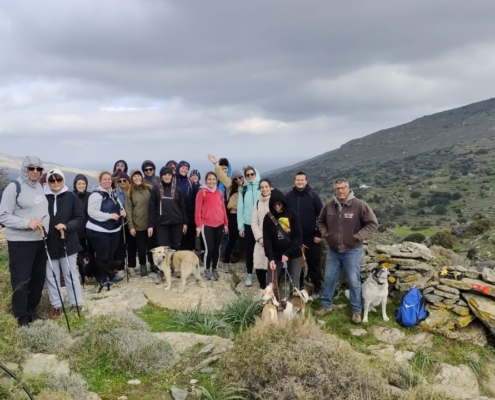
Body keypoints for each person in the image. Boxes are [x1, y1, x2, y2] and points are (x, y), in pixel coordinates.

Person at [317, 178, 378, 324]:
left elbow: (372, 223)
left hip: (352, 251)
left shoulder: (359, 205)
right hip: (333, 251)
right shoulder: (329, 206)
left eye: (343, 188)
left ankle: (356, 311)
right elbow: (320, 221)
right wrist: (326, 234)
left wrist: (357, 237)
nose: (340, 191)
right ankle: (326, 306)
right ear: (334, 190)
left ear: (348, 189)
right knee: (329, 279)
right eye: (337, 188)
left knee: (353, 281)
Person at [0, 156, 49, 326]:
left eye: (38, 169)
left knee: (38, 278)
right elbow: (3, 216)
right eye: (31, 168)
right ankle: (21, 316)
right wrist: (26, 223)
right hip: (20, 241)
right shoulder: (14, 187)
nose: (35, 172)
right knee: (21, 278)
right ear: (24, 169)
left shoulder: (40, 186)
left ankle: (31, 310)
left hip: (39, 239)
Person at [44, 168, 84, 319]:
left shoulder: (72, 197)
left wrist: (66, 226)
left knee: (70, 273)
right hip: (48, 242)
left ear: (63, 180)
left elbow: (79, 218)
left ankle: (76, 303)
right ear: (48, 182)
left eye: (58, 179)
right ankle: (57, 305)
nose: (55, 182)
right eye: (52, 180)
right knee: (51, 275)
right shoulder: (42, 197)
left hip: (68, 241)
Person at [286, 171, 324, 296]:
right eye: (298, 180)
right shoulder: (289, 196)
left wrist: (318, 234)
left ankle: (317, 288)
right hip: (294, 238)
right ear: (294, 181)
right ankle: (299, 288)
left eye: (302, 180)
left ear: (306, 181)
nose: (300, 182)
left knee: (313, 264)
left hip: (311, 237)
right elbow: (283, 216)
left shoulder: (313, 196)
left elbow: (322, 216)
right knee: (297, 265)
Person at [147, 166, 188, 282]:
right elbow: (151, 208)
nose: (167, 176)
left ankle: (174, 267)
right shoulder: (156, 189)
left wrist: (185, 222)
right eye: (165, 174)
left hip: (176, 222)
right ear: (161, 176)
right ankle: (160, 271)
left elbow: (182, 207)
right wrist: (150, 225)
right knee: (161, 248)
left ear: (172, 176)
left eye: (169, 174)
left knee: (175, 246)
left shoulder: (177, 189)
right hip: (161, 223)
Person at [263, 188, 303, 293]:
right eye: (274, 204)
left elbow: (298, 236)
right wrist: (270, 258)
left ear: (283, 203)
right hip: (275, 256)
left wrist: (287, 252)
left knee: (294, 284)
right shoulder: (268, 218)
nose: (277, 206)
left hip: (294, 254)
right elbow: (267, 240)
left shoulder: (293, 215)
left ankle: (294, 302)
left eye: (279, 204)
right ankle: (275, 302)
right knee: (271, 284)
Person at [207, 154, 242, 272]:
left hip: (244, 215)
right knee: (231, 237)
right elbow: (221, 175)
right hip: (232, 213)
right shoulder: (230, 185)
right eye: (236, 178)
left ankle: (243, 258)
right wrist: (215, 163)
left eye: (240, 178)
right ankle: (226, 260)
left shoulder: (246, 187)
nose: (238, 180)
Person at [86, 171, 125, 270]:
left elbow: (119, 205)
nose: (107, 181)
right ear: (100, 181)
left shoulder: (113, 192)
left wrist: (122, 210)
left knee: (111, 254)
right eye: (104, 179)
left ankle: (110, 274)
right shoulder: (96, 195)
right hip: (98, 230)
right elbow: (91, 212)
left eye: (109, 179)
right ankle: (101, 276)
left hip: (114, 229)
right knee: (102, 256)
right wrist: (109, 216)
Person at [195, 172, 228, 281]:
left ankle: (214, 268)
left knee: (217, 248)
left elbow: (223, 208)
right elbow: (198, 210)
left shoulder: (219, 192)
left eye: (213, 179)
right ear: (206, 180)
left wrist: (226, 223)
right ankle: (207, 269)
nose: (211, 181)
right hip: (207, 224)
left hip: (219, 224)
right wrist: (198, 225)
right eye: (209, 179)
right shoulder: (202, 192)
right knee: (209, 248)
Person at [125, 170, 154, 276]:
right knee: (141, 247)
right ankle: (142, 265)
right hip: (138, 224)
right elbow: (128, 210)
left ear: (142, 177)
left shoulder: (149, 188)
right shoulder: (130, 192)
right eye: (134, 176)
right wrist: (131, 226)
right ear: (132, 179)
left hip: (151, 223)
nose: (137, 178)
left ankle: (152, 263)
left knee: (152, 245)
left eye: (138, 176)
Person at [237, 165, 261, 286]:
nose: (250, 176)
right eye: (248, 175)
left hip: (261, 225)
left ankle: (263, 272)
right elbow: (240, 209)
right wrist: (241, 227)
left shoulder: (261, 188)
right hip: (248, 224)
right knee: (249, 250)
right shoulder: (243, 191)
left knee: (263, 249)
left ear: (255, 175)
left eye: (252, 174)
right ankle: (249, 274)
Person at [251, 179, 272, 289]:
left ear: (270, 187)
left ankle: (271, 288)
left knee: (272, 263)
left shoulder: (275, 202)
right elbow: (254, 222)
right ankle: (262, 287)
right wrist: (259, 237)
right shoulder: (257, 203)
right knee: (259, 262)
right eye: (262, 187)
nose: (264, 189)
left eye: (266, 186)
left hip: (273, 239)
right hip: (260, 239)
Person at [114, 171, 135, 272]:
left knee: (132, 244)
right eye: (120, 181)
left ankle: (132, 266)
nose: (122, 182)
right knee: (120, 245)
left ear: (128, 181)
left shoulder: (132, 191)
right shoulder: (114, 193)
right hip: (120, 221)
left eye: (124, 180)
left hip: (132, 221)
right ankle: (121, 267)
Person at [176, 161, 200, 251]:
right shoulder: (173, 180)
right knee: (179, 238)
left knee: (190, 238)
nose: (184, 170)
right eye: (182, 168)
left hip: (190, 214)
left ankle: (190, 255)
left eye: (186, 169)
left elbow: (197, 197)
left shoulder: (190, 181)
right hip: (177, 214)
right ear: (178, 168)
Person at [73, 174, 93, 256]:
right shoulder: (71, 196)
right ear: (75, 185)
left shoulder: (90, 196)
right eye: (79, 184)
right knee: (79, 252)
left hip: (89, 228)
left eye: (83, 184)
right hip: (77, 230)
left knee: (91, 251)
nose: (81, 186)